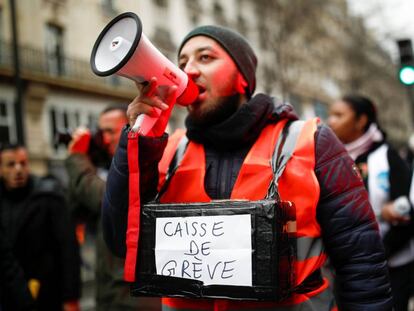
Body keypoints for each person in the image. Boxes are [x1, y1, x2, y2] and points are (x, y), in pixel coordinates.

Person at [102, 25, 393, 310]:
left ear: (243, 78)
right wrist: (139, 138)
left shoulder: (311, 141)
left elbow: (361, 261)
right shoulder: (164, 149)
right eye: (181, 63)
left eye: (205, 58)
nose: (187, 71)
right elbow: (121, 242)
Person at [65, 105, 160, 310]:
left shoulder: (142, 167)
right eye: (102, 132)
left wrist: (77, 158)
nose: (105, 139)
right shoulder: (103, 167)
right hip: (108, 292)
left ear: (129, 128)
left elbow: (107, 199)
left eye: (111, 131)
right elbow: (76, 211)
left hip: (130, 298)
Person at [328, 94, 414, 311]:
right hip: (347, 269)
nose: (331, 121)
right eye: (331, 115)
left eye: (339, 115)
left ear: (361, 120)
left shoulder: (387, 157)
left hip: (392, 267)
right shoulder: (328, 159)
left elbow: (407, 213)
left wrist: (377, 255)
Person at [0, 143, 80, 310]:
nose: (18, 169)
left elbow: (68, 248)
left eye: (23, 163)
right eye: (11, 164)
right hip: (10, 293)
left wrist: (70, 297)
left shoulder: (48, 195)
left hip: (47, 292)